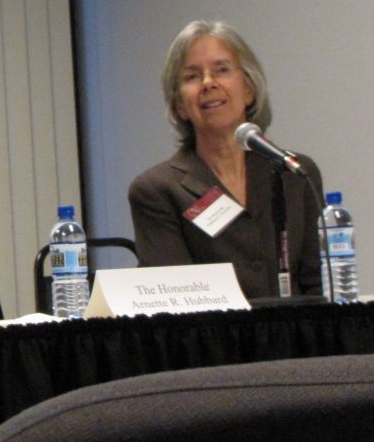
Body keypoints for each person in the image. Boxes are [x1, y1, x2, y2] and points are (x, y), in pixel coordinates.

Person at [127, 20, 323, 300]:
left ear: (248, 89)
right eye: (192, 76)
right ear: (180, 105)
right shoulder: (157, 190)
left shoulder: (293, 172)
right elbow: (176, 302)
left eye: (221, 70)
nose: (208, 83)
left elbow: (319, 286)